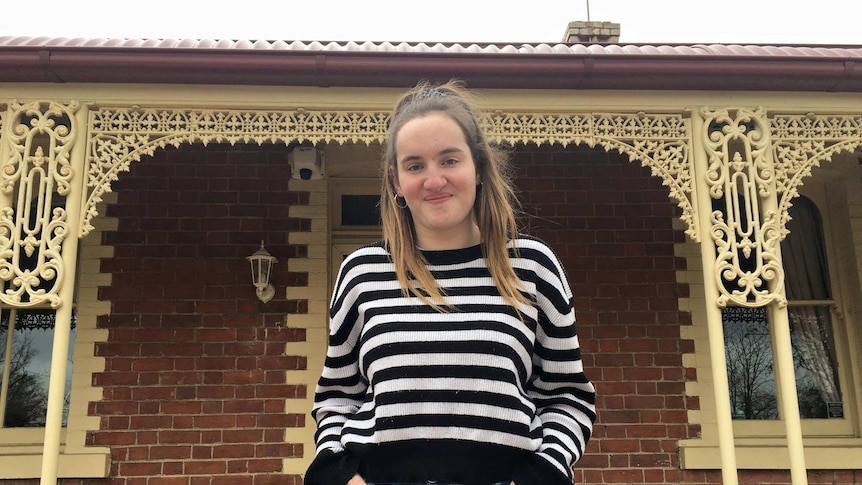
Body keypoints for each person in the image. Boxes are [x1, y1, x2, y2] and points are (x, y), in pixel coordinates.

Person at [304, 80, 596, 485]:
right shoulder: (361, 272)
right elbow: (337, 395)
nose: (434, 180)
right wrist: (338, 476)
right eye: (415, 165)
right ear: (395, 183)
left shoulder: (531, 267)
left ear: (478, 168)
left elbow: (568, 396)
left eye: (449, 160)